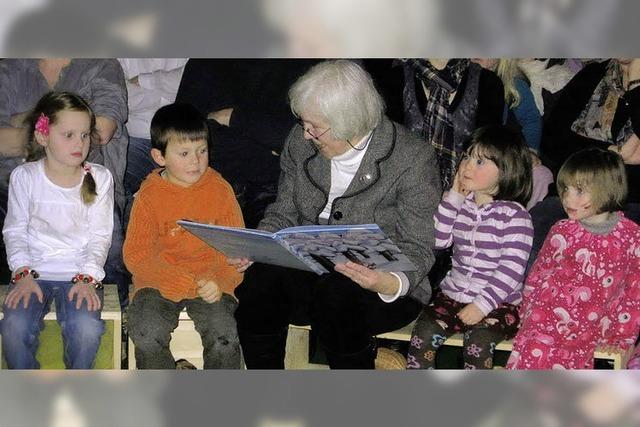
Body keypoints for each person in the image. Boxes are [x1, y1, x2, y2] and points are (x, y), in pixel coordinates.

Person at [230, 60, 441, 369]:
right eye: (304, 123)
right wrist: (261, 245)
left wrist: (384, 281)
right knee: (259, 283)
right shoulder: (300, 143)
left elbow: (418, 247)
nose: (305, 135)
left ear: (350, 123)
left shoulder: (412, 158)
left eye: (315, 127)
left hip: (384, 288)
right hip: (310, 271)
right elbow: (283, 211)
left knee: (337, 295)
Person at [0, 58, 130, 307]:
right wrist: (60, 125)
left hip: (87, 188)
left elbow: (100, 130)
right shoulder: (9, 68)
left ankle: (112, 323)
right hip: (9, 186)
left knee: (107, 246)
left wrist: (28, 122)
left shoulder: (102, 65)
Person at [124, 103, 245, 369]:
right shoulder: (148, 196)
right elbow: (137, 254)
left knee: (224, 333)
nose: (196, 161)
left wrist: (220, 280)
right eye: (184, 153)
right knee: (144, 329)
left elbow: (236, 250)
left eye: (202, 151)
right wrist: (176, 280)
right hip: (159, 282)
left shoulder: (220, 191)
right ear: (159, 157)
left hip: (210, 282)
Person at [1, 91, 113, 369]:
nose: (80, 143)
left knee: (85, 329)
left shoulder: (99, 177)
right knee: (14, 327)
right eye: (69, 135)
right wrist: (23, 273)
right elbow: (14, 231)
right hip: (33, 273)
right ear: (43, 136)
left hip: (80, 274)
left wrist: (88, 277)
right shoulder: (25, 177)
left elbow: (100, 236)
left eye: (85, 135)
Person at [407, 125, 533, 369]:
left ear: (506, 170)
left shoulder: (515, 216)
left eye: (479, 161)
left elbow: (511, 270)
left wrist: (482, 306)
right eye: (467, 156)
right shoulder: (459, 205)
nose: (466, 165)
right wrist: (453, 197)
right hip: (454, 296)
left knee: (478, 340)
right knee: (422, 334)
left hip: (499, 303)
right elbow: (438, 240)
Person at [507, 148, 640, 369]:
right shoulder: (562, 231)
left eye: (579, 191)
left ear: (607, 190)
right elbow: (538, 275)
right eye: (565, 189)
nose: (568, 198)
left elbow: (633, 294)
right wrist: (527, 314)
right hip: (544, 323)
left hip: (594, 331)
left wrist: (621, 337)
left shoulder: (631, 237)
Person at [472, 58, 553, 209]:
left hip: (501, 153)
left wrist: (530, 150)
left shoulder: (513, 84)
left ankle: (524, 219)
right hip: (471, 153)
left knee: (541, 175)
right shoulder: (463, 77)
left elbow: (531, 120)